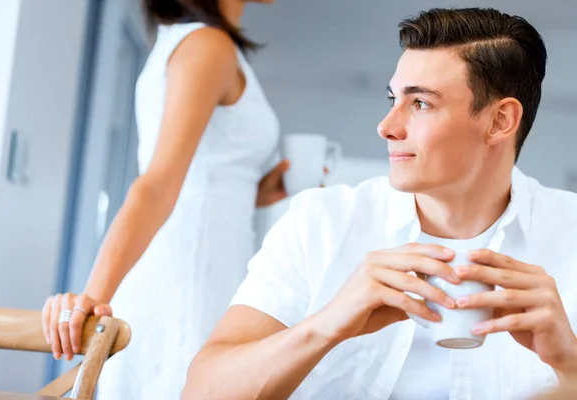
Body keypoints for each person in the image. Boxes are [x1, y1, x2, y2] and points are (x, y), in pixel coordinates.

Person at [184, 7, 577, 399]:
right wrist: (327, 326)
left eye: (420, 103)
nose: (387, 127)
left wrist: (571, 363)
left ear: (499, 121)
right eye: (393, 99)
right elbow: (199, 393)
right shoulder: (319, 223)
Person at [40, 0, 288, 397]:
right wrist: (93, 300)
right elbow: (156, 184)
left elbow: (198, 176)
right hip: (187, 279)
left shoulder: (203, 43)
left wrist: (256, 192)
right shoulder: (207, 44)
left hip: (207, 265)